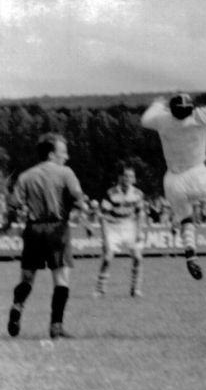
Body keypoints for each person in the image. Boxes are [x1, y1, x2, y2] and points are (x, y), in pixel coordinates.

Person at [141, 41, 206, 280]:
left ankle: (191, 254)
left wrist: (158, 103)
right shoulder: (200, 117)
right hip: (196, 174)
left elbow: (145, 119)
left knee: (186, 218)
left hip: (173, 181)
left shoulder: (163, 120)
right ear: (190, 108)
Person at [4, 133, 90, 339]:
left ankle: (18, 305)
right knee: (61, 279)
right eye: (63, 152)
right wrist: (84, 217)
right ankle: (56, 327)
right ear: (52, 154)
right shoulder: (65, 172)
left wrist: (7, 225)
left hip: (33, 229)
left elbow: (13, 205)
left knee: (27, 277)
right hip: (57, 230)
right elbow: (79, 200)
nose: (66, 156)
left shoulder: (26, 175)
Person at [93, 164, 147, 298]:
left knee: (138, 257)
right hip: (113, 226)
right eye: (126, 175)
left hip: (130, 226)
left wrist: (139, 232)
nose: (128, 178)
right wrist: (105, 237)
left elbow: (140, 214)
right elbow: (102, 216)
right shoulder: (111, 193)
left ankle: (136, 290)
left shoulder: (138, 194)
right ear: (120, 177)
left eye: (131, 176)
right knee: (107, 258)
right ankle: (100, 290)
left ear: (134, 179)